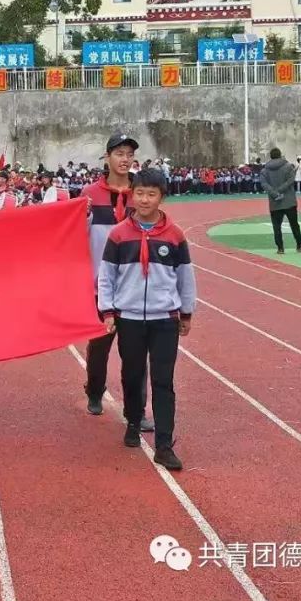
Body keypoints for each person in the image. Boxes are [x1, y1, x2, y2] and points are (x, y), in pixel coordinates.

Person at [98, 168, 196, 472]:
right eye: (139, 193)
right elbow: (106, 276)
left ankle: (164, 445)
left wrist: (186, 312)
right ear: (131, 194)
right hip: (128, 318)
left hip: (164, 319)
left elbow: (185, 278)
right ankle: (133, 420)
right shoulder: (118, 234)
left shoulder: (175, 236)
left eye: (151, 194)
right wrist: (108, 311)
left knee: (163, 381)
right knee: (132, 374)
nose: (144, 199)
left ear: (161, 197)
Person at [81, 133, 153, 432]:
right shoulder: (89, 194)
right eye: (120, 153)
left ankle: (136, 409)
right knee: (99, 348)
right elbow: (74, 235)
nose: (125, 159)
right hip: (102, 288)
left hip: (135, 286)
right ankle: (95, 390)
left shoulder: (142, 193)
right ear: (107, 156)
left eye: (129, 154)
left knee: (136, 353)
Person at [260, 148, 301, 255]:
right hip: (289, 200)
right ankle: (299, 244)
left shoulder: (265, 170)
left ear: (270, 156)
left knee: (276, 226)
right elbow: (291, 181)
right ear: (280, 155)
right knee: (294, 224)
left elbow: (264, 184)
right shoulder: (288, 166)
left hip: (274, 202)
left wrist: (274, 192)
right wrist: (280, 190)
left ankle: (280, 248)